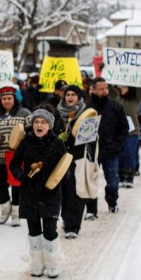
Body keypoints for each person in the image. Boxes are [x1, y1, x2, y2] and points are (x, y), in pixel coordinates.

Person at [10, 108, 67, 278]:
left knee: (50, 229)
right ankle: (37, 263)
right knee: (33, 229)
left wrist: (58, 179)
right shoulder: (26, 142)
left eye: (43, 122)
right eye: (36, 122)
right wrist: (22, 176)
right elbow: (14, 164)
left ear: (49, 125)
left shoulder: (57, 144)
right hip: (30, 192)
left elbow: (66, 166)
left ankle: (52, 263)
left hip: (50, 192)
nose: (39, 125)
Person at [85, 78, 128, 217]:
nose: (105, 91)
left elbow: (124, 127)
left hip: (111, 151)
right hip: (92, 151)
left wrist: (118, 143)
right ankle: (91, 210)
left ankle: (112, 201)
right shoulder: (87, 107)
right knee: (90, 182)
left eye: (106, 88)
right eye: (101, 89)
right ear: (94, 90)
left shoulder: (115, 106)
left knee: (113, 182)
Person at [0, 84, 31, 226]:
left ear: (14, 99)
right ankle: (5, 209)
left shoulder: (24, 113)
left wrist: (23, 137)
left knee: (16, 184)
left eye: (9, 98)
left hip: (17, 156)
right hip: (0, 155)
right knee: (0, 184)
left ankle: (16, 213)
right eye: (4, 99)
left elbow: (31, 131)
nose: (6, 101)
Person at [56, 85, 90, 239]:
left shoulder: (86, 113)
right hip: (60, 159)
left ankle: (73, 226)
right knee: (62, 193)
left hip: (77, 158)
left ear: (78, 97)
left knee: (75, 194)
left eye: (73, 95)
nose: (70, 97)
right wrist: (58, 137)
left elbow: (91, 136)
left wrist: (77, 136)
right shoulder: (57, 113)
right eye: (67, 94)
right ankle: (66, 219)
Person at [115, 85, 141, 188]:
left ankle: (129, 177)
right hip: (119, 132)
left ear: (129, 88)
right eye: (121, 87)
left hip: (132, 132)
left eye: (124, 87)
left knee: (130, 154)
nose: (122, 89)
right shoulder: (117, 99)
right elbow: (109, 87)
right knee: (120, 155)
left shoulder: (135, 99)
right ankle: (121, 177)